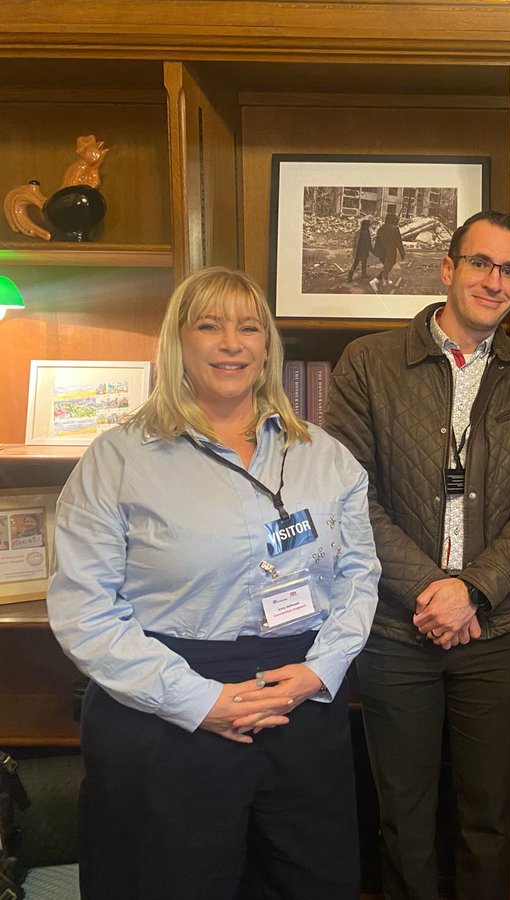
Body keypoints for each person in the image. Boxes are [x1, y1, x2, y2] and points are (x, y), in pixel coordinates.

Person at [46, 266, 381, 899]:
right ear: (178, 341)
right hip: (166, 711)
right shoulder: (117, 460)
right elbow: (84, 610)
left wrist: (323, 669)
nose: (232, 343)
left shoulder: (325, 456)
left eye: (249, 327)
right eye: (210, 325)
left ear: (267, 345)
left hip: (300, 700)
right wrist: (200, 702)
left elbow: (359, 577)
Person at [325, 210, 510, 900]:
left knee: (487, 817)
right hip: (397, 630)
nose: (495, 281)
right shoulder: (369, 364)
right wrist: (432, 589)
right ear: (447, 269)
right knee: (402, 817)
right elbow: (348, 496)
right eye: (481, 263)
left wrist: (473, 591)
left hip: (496, 627)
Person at [371, 212, 406, 292]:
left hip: (381, 251)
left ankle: (386, 281)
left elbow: (377, 241)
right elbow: (399, 242)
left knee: (386, 265)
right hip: (390, 251)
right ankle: (375, 281)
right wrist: (402, 253)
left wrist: (377, 252)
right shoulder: (395, 228)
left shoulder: (381, 228)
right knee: (389, 266)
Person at [348, 217, 373, 282]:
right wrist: (373, 251)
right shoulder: (366, 233)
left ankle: (349, 276)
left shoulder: (358, 231)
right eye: (368, 225)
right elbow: (368, 244)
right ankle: (363, 275)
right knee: (364, 263)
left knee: (355, 264)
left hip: (357, 251)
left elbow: (354, 241)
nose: (368, 226)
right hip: (363, 251)